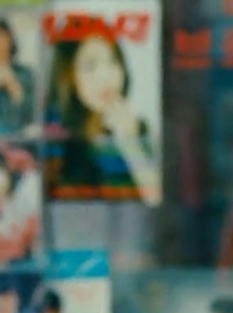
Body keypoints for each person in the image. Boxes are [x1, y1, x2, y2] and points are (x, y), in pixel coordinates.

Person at [44, 31, 160, 205]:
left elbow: (157, 202)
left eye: (112, 61)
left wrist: (130, 142)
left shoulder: (139, 129)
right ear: (69, 76)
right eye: (90, 66)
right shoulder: (55, 139)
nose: (105, 76)